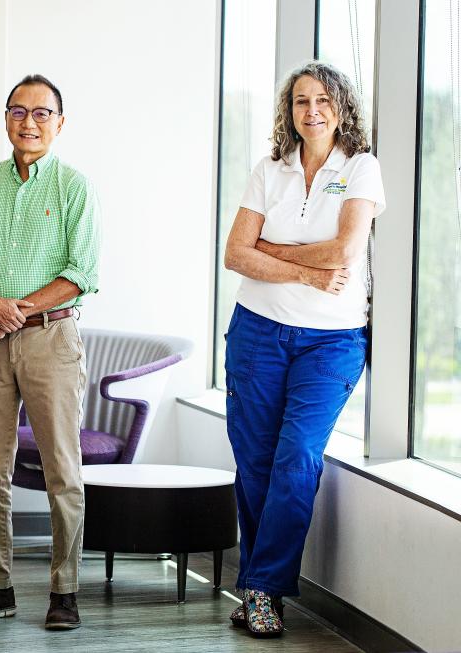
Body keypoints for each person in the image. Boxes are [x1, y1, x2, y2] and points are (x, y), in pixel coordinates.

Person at [222, 61, 385, 637]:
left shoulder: (360, 168)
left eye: (322, 101)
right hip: (258, 331)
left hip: (331, 344)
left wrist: (275, 249)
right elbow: (236, 255)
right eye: (299, 102)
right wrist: (305, 269)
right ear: (287, 111)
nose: (311, 111)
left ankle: (260, 589)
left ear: (342, 107)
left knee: (297, 459)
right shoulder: (270, 168)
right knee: (256, 462)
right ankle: (260, 592)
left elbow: (344, 251)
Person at [0, 74, 100, 630]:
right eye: (18, 111)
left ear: (60, 122)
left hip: (51, 341)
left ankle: (65, 590)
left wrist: (23, 308)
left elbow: (82, 274)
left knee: (63, 469)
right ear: (5, 118)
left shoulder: (74, 188)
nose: (28, 122)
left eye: (41, 113)